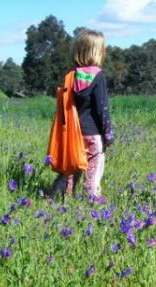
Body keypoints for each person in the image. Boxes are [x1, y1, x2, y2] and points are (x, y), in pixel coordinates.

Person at [51, 29, 113, 200]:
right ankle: (92, 200)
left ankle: (64, 198)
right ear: (97, 51)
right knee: (93, 172)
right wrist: (108, 135)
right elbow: (102, 109)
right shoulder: (98, 76)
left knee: (72, 169)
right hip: (93, 134)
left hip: (74, 133)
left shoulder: (70, 75)